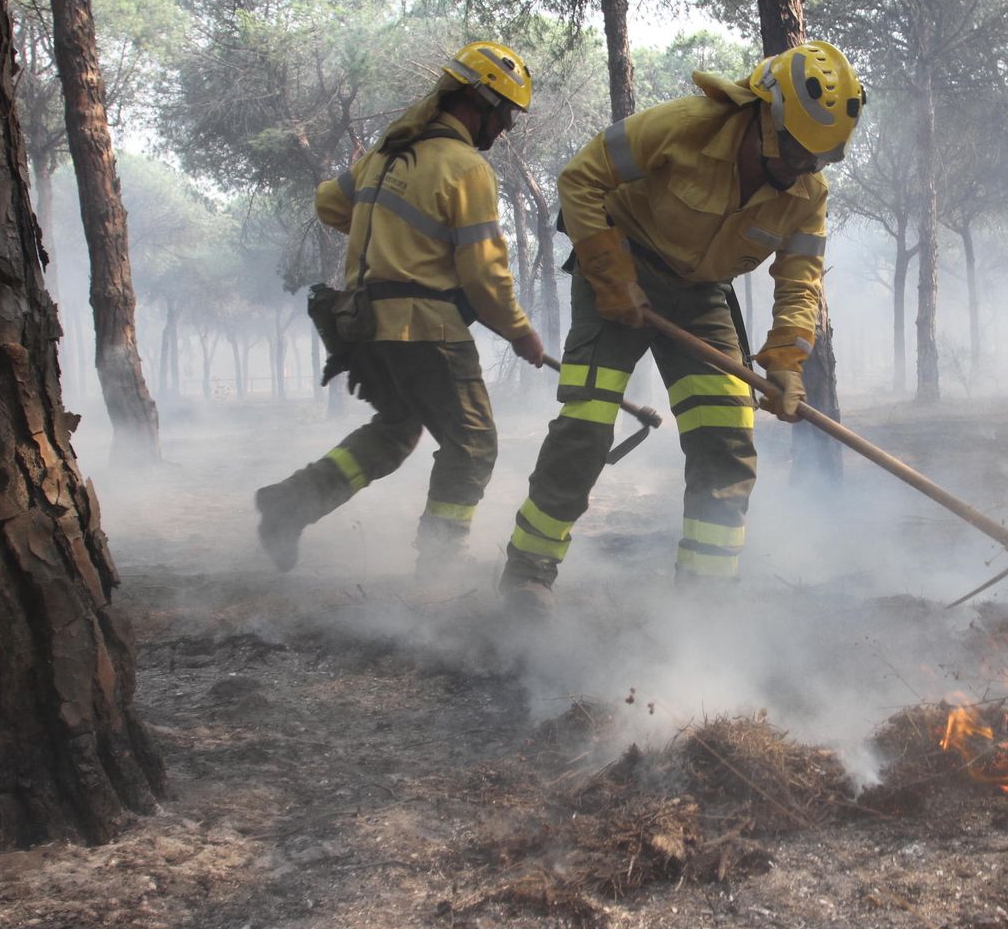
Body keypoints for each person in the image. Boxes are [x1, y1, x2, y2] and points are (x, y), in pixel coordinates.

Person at [498, 40, 865, 613]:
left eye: (820, 159)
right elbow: (581, 178)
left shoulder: (807, 194)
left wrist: (786, 363)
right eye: (797, 151)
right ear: (765, 116)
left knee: (727, 437)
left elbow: (800, 283)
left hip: (701, 295)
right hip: (620, 273)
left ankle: (705, 603)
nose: (804, 168)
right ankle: (528, 574)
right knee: (587, 427)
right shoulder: (682, 127)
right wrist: (610, 273)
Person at [255, 41, 547, 574]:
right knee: (474, 444)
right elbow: (484, 274)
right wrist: (520, 331)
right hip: (426, 330)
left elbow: (329, 202)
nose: (505, 127)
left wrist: (390, 231)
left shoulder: (386, 155)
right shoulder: (466, 168)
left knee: (395, 430)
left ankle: (291, 502)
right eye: (505, 113)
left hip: (365, 328)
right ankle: (439, 566)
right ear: (479, 100)